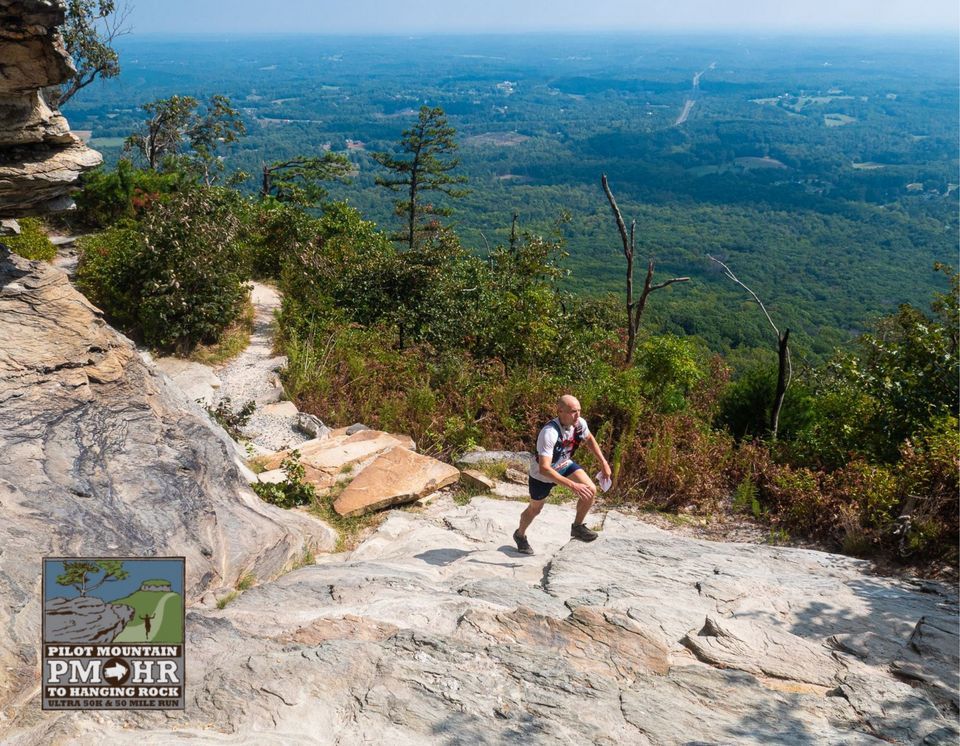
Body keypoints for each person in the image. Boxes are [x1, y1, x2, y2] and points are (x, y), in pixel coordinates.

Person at [513, 394, 612, 555]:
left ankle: (577, 527)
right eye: (573, 411)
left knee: (590, 490)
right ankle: (520, 534)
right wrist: (572, 485)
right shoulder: (549, 433)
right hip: (542, 475)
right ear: (560, 411)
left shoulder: (579, 424)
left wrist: (603, 463)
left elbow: (589, 439)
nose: (578, 415)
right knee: (535, 509)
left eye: (579, 411)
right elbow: (545, 468)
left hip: (563, 465)